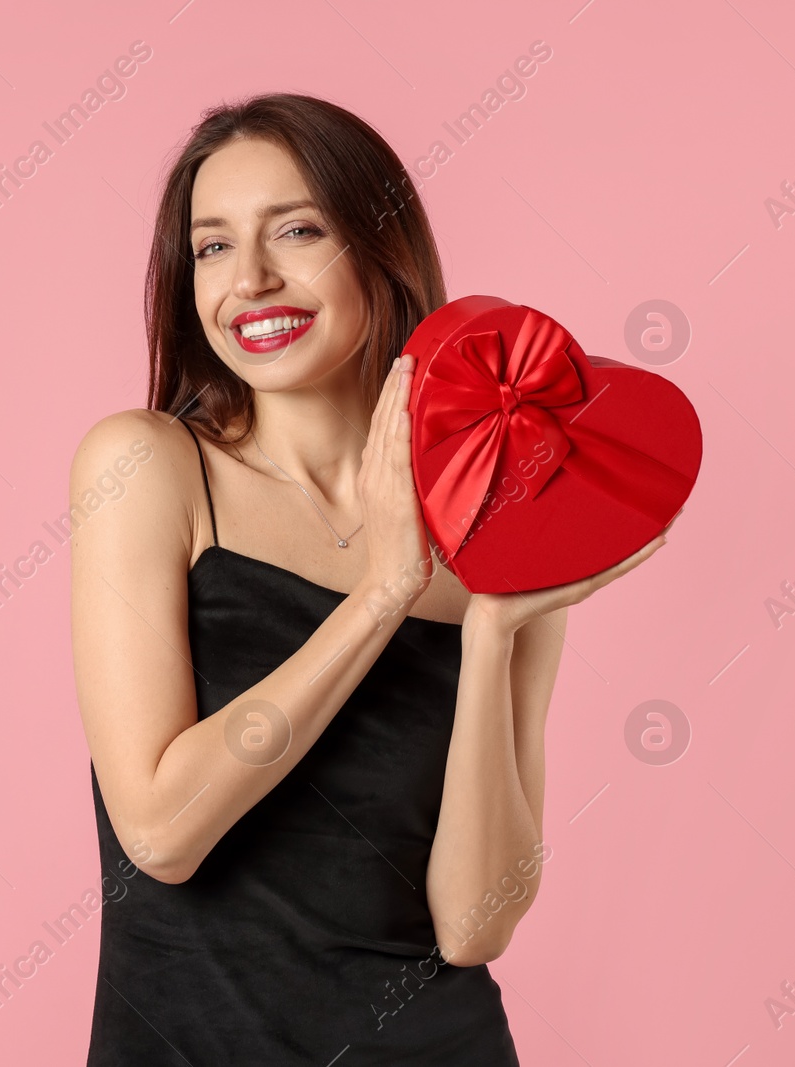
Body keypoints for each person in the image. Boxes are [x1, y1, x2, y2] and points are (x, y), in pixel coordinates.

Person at [68, 93, 672, 1065]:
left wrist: (486, 635)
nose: (250, 279)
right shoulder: (145, 467)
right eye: (213, 246)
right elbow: (161, 830)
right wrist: (386, 589)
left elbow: (472, 925)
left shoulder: (501, 525)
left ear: (379, 247)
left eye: (297, 230)